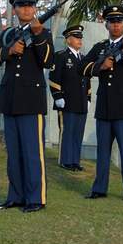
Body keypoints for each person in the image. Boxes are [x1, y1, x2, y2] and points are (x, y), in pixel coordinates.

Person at [0, 0, 54, 213]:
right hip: (10, 99)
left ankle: (36, 199)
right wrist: (7, 51)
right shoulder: (7, 35)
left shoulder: (43, 33)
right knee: (14, 153)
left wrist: (39, 35)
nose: (26, 9)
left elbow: (48, 61)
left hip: (31, 100)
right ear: (14, 10)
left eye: (30, 5)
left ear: (35, 9)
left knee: (33, 153)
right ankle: (16, 196)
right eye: (21, 5)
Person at [81, 5, 123, 202]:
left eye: (120, 21)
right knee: (102, 153)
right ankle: (99, 188)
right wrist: (101, 66)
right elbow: (81, 68)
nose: (116, 25)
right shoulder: (100, 47)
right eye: (112, 22)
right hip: (104, 108)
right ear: (106, 24)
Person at [49, 25, 91, 172]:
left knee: (78, 133)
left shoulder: (84, 58)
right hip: (66, 102)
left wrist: (89, 98)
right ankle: (65, 160)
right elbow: (54, 78)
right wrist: (58, 96)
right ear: (68, 40)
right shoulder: (60, 56)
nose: (80, 40)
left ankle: (75, 161)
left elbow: (88, 80)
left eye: (81, 37)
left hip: (81, 102)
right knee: (67, 132)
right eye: (76, 37)